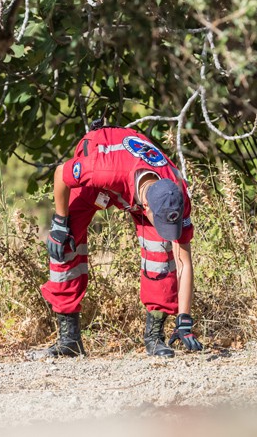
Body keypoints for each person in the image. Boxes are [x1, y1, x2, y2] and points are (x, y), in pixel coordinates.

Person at [30, 125, 203, 359]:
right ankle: (69, 339)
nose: (166, 230)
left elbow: (183, 260)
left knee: (160, 251)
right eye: (161, 222)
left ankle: (154, 338)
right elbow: (61, 173)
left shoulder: (175, 195)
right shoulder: (102, 170)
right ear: (146, 206)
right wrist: (60, 221)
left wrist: (184, 320)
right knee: (65, 242)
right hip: (104, 159)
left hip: (134, 177)